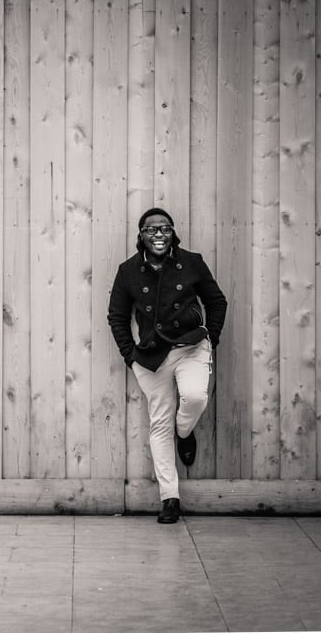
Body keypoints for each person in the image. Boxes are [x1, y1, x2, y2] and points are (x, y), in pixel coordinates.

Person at [107, 208, 227, 524]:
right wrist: (129, 355)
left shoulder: (192, 262)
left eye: (165, 229)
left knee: (196, 397)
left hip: (191, 346)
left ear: (173, 233)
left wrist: (211, 338)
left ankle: (184, 430)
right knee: (159, 422)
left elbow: (217, 301)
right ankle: (169, 498)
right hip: (151, 355)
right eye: (151, 229)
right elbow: (117, 316)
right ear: (141, 235)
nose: (158, 234)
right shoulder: (128, 271)